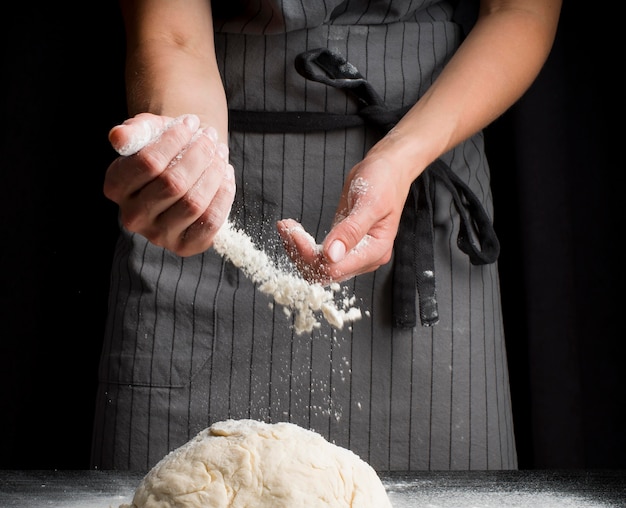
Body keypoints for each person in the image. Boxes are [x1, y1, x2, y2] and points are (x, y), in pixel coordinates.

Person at [91, 0, 562, 472]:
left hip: (426, 196)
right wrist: (189, 161)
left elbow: (519, 13)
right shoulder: (197, 190)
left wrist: (401, 156)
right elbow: (174, 36)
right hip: (215, 213)